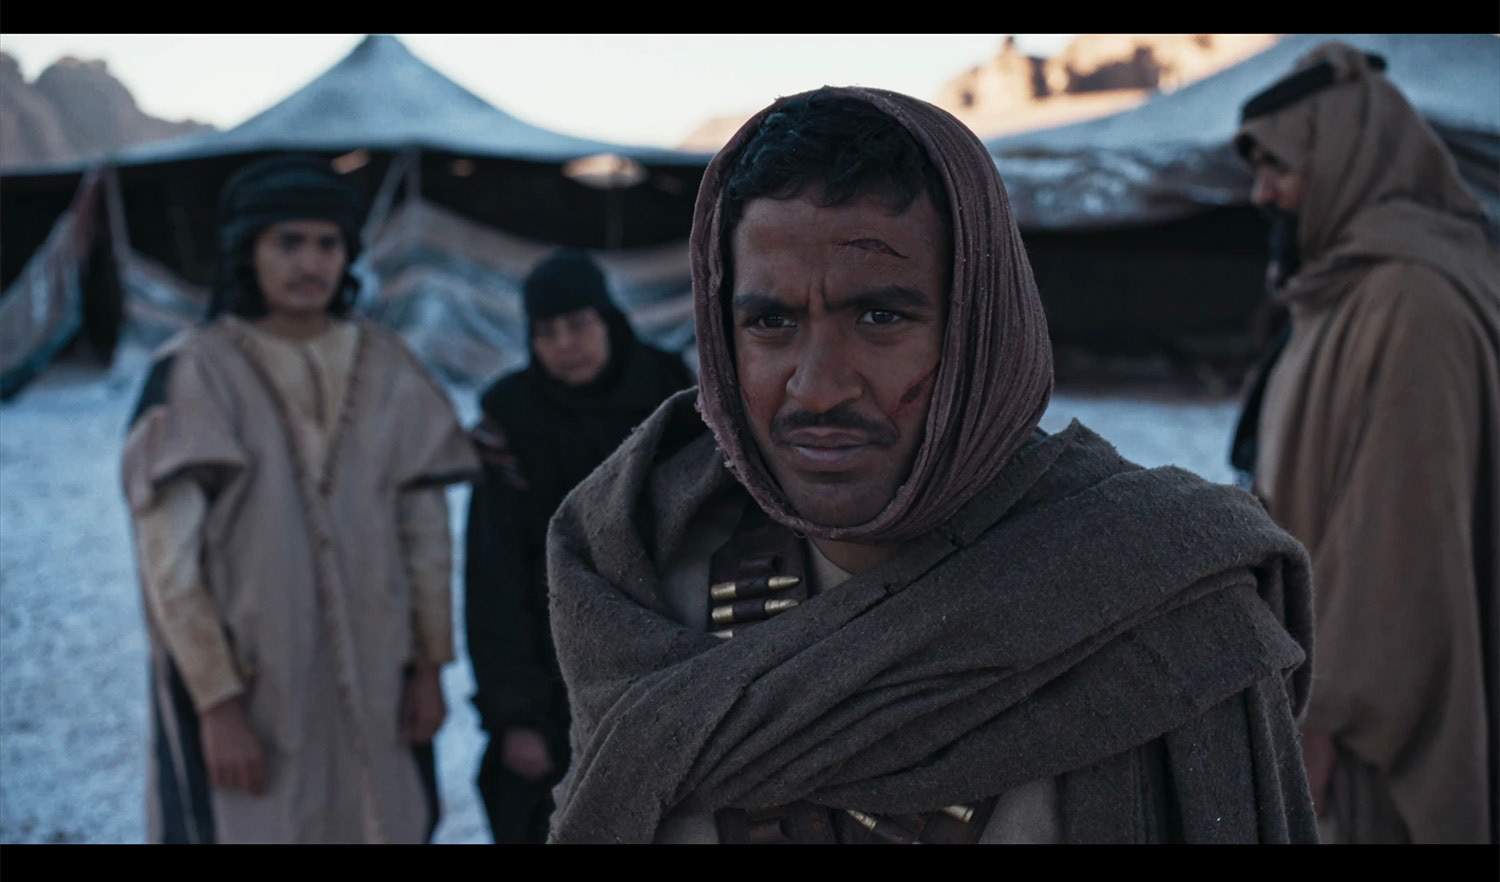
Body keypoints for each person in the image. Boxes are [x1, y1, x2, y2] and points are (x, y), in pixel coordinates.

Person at [542, 86, 1318, 844]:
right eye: (772, 321)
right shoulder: (644, 582)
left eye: (880, 316)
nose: (817, 389)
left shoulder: (1160, 604)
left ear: (983, 330)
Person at [121, 155, 479, 844]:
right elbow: (169, 563)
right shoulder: (197, 371)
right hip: (260, 690)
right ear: (247, 251)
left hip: (380, 675)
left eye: (327, 243)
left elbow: (427, 536)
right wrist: (217, 705)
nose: (310, 262)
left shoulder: (389, 365)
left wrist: (430, 667)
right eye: (287, 243)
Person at [1229, 43, 1499, 844]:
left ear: (1346, 157)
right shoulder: (1344, 287)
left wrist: (1322, 717)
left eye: (1278, 166)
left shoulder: (1414, 300)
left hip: (1365, 743)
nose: (1260, 193)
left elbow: (1403, 550)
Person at [464, 248, 693, 843]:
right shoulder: (510, 417)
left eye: (578, 324)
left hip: (663, 668)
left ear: (607, 318)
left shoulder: (670, 394)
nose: (565, 343)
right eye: (547, 332)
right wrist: (514, 715)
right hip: (553, 676)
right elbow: (493, 576)